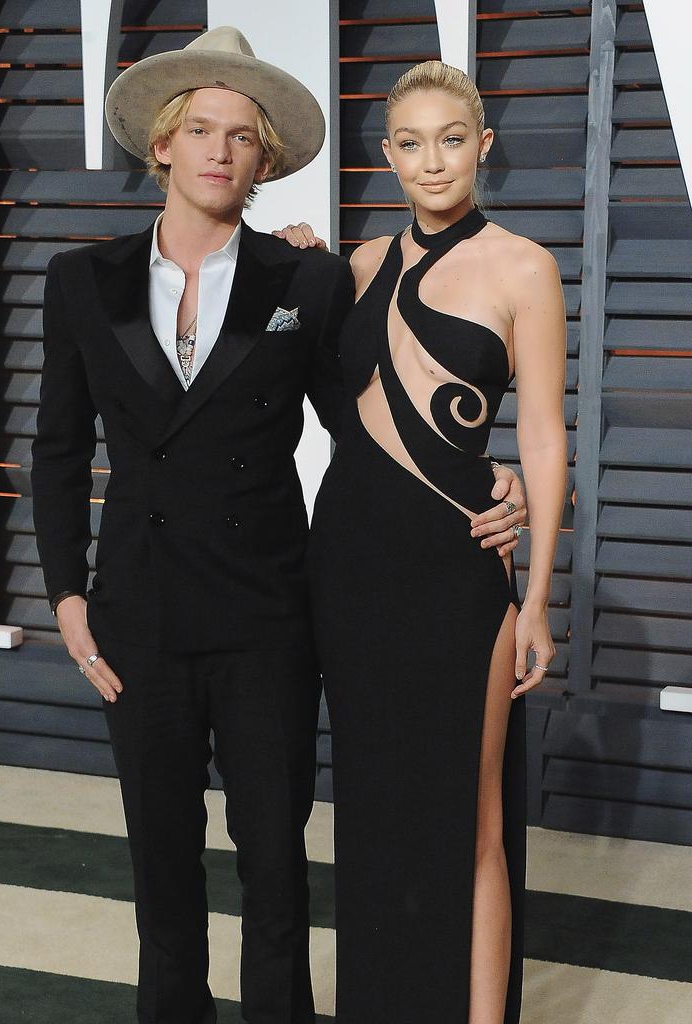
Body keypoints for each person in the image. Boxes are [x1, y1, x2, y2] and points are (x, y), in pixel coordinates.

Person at [31, 27, 528, 1024]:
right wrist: (69, 597)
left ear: (265, 162)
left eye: (243, 136)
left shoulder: (304, 281)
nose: (221, 150)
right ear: (162, 145)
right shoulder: (80, 281)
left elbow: (369, 422)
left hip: (268, 617)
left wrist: (479, 474)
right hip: (138, 620)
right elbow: (54, 448)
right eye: (202, 129)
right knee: (162, 871)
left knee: (276, 870)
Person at [289, 60, 568, 1024]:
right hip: (350, 566)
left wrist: (533, 597)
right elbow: (328, 409)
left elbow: (541, 436)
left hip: (459, 572)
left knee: (471, 814)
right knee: (371, 808)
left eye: (453, 137)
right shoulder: (355, 267)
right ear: (389, 155)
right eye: (410, 142)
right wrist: (298, 269)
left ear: (483, 145)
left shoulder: (524, 265)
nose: (432, 159)